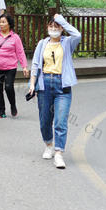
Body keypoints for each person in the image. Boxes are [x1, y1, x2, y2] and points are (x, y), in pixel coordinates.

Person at [28, 13, 81, 169]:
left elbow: (77, 34)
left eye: (56, 26)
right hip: (44, 85)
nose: (53, 29)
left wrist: (62, 21)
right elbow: (36, 64)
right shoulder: (42, 43)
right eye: (51, 26)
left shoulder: (67, 43)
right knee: (45, 120)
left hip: (62, 86)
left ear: (62, 29)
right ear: (47, 28)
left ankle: (58, 153)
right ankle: (49, 144)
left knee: (60, 121)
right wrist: (32, 84)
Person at [0, 13, 28, 119]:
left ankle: (13, 105)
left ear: (9, 24)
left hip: (10, 67)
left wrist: (24, 66)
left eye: (3, 22)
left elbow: (20, 52)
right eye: (0, 22)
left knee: (8, 87)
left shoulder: (15, 37)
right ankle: (1, 111)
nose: (1, 24)